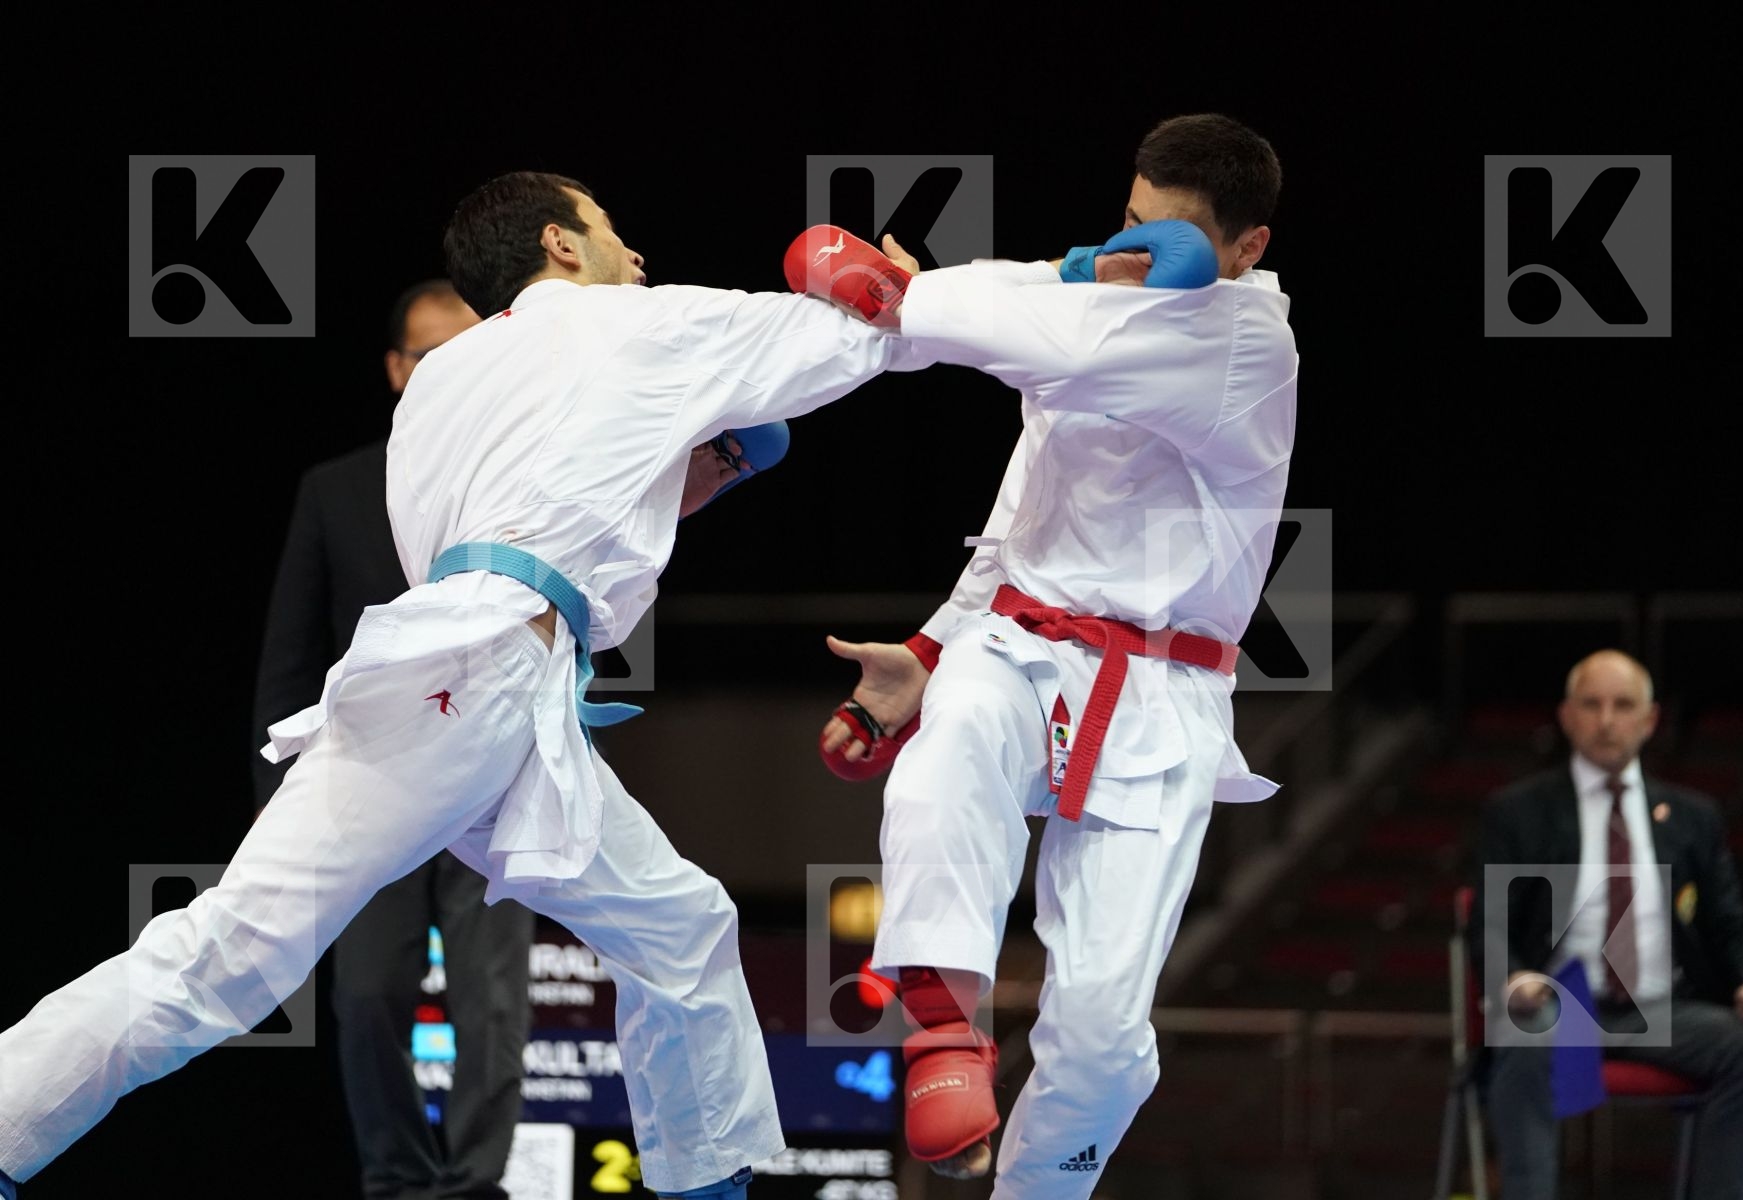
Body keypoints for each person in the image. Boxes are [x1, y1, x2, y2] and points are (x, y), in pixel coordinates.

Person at [0, 170, 924, 1200]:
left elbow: (511, 524)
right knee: (227, 957)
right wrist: (900, 285)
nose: (638, 252)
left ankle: (708, 1184)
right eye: (612, 226)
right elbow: (857, 342)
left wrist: (680, 481)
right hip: (472, 680)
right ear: (560, 245)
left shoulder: (447, 378)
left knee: (682, 926)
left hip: (496, 683)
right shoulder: (644, 325)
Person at [806, 113, 1296, 1195]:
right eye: (1129, 224)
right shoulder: (1094, 294)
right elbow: (1023, 504)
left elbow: (1051, 334)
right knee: (952, 745)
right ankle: (941, 1022)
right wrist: (931, 649)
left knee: (1105, 1037)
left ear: (1247, 249)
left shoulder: (1246, 343)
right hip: (1024, 640)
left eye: (1171, 241)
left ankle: (1039, 1187)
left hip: (1163, 695)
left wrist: (915, 300)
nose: (1133, 255)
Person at [252, 279, 536, 1200]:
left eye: (467, 355)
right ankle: (398, 1178)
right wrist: (278, 808)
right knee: (367, 994)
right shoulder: (334, 491)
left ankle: (475, 1183)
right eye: (428, 357)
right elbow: (290, 661)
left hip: (494, 776)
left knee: (490, 1002)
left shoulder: (528, 489)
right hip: (368, 782)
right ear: (395, 369)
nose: (446, 373)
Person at [1468, 649, 1743, 1200]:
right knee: (1525, 1041)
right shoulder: (1518, 811)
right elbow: (1490, 925)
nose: (1606, 720)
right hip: (1563, 1007)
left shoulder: (1693, 817)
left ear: (1650, 719)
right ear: (1566, 716)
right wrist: (1513, 979)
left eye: (1622, 705)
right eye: (1592, 704)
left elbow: (1730, 923)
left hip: (1664, 1008)